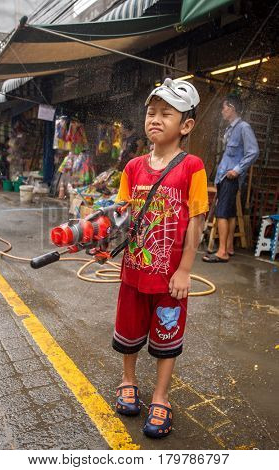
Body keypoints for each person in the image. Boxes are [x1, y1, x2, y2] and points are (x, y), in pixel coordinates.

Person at [113, 78, 209, 438]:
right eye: (151, 112)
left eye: (166, 114)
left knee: (167, 337)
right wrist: (103, 230)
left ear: (186, 126)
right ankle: (128, 380)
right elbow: (122, 214)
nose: (155, 119)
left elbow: (196, 219)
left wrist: (184, 270)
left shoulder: (192, 166)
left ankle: (160, 396)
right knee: (129, 331)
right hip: (133, 273)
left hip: (171, 279)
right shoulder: (133, 167)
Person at [203, 94, 259, 263]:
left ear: (232, 108)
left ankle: (222, 253)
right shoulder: (231, 129)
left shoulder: (243, 127)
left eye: (224, 107)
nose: (222, 111)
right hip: (223, 176)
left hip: (230, 177)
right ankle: (229, 247)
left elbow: (253, 151)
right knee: (230, 213)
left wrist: (237, 169)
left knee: (221, 213)